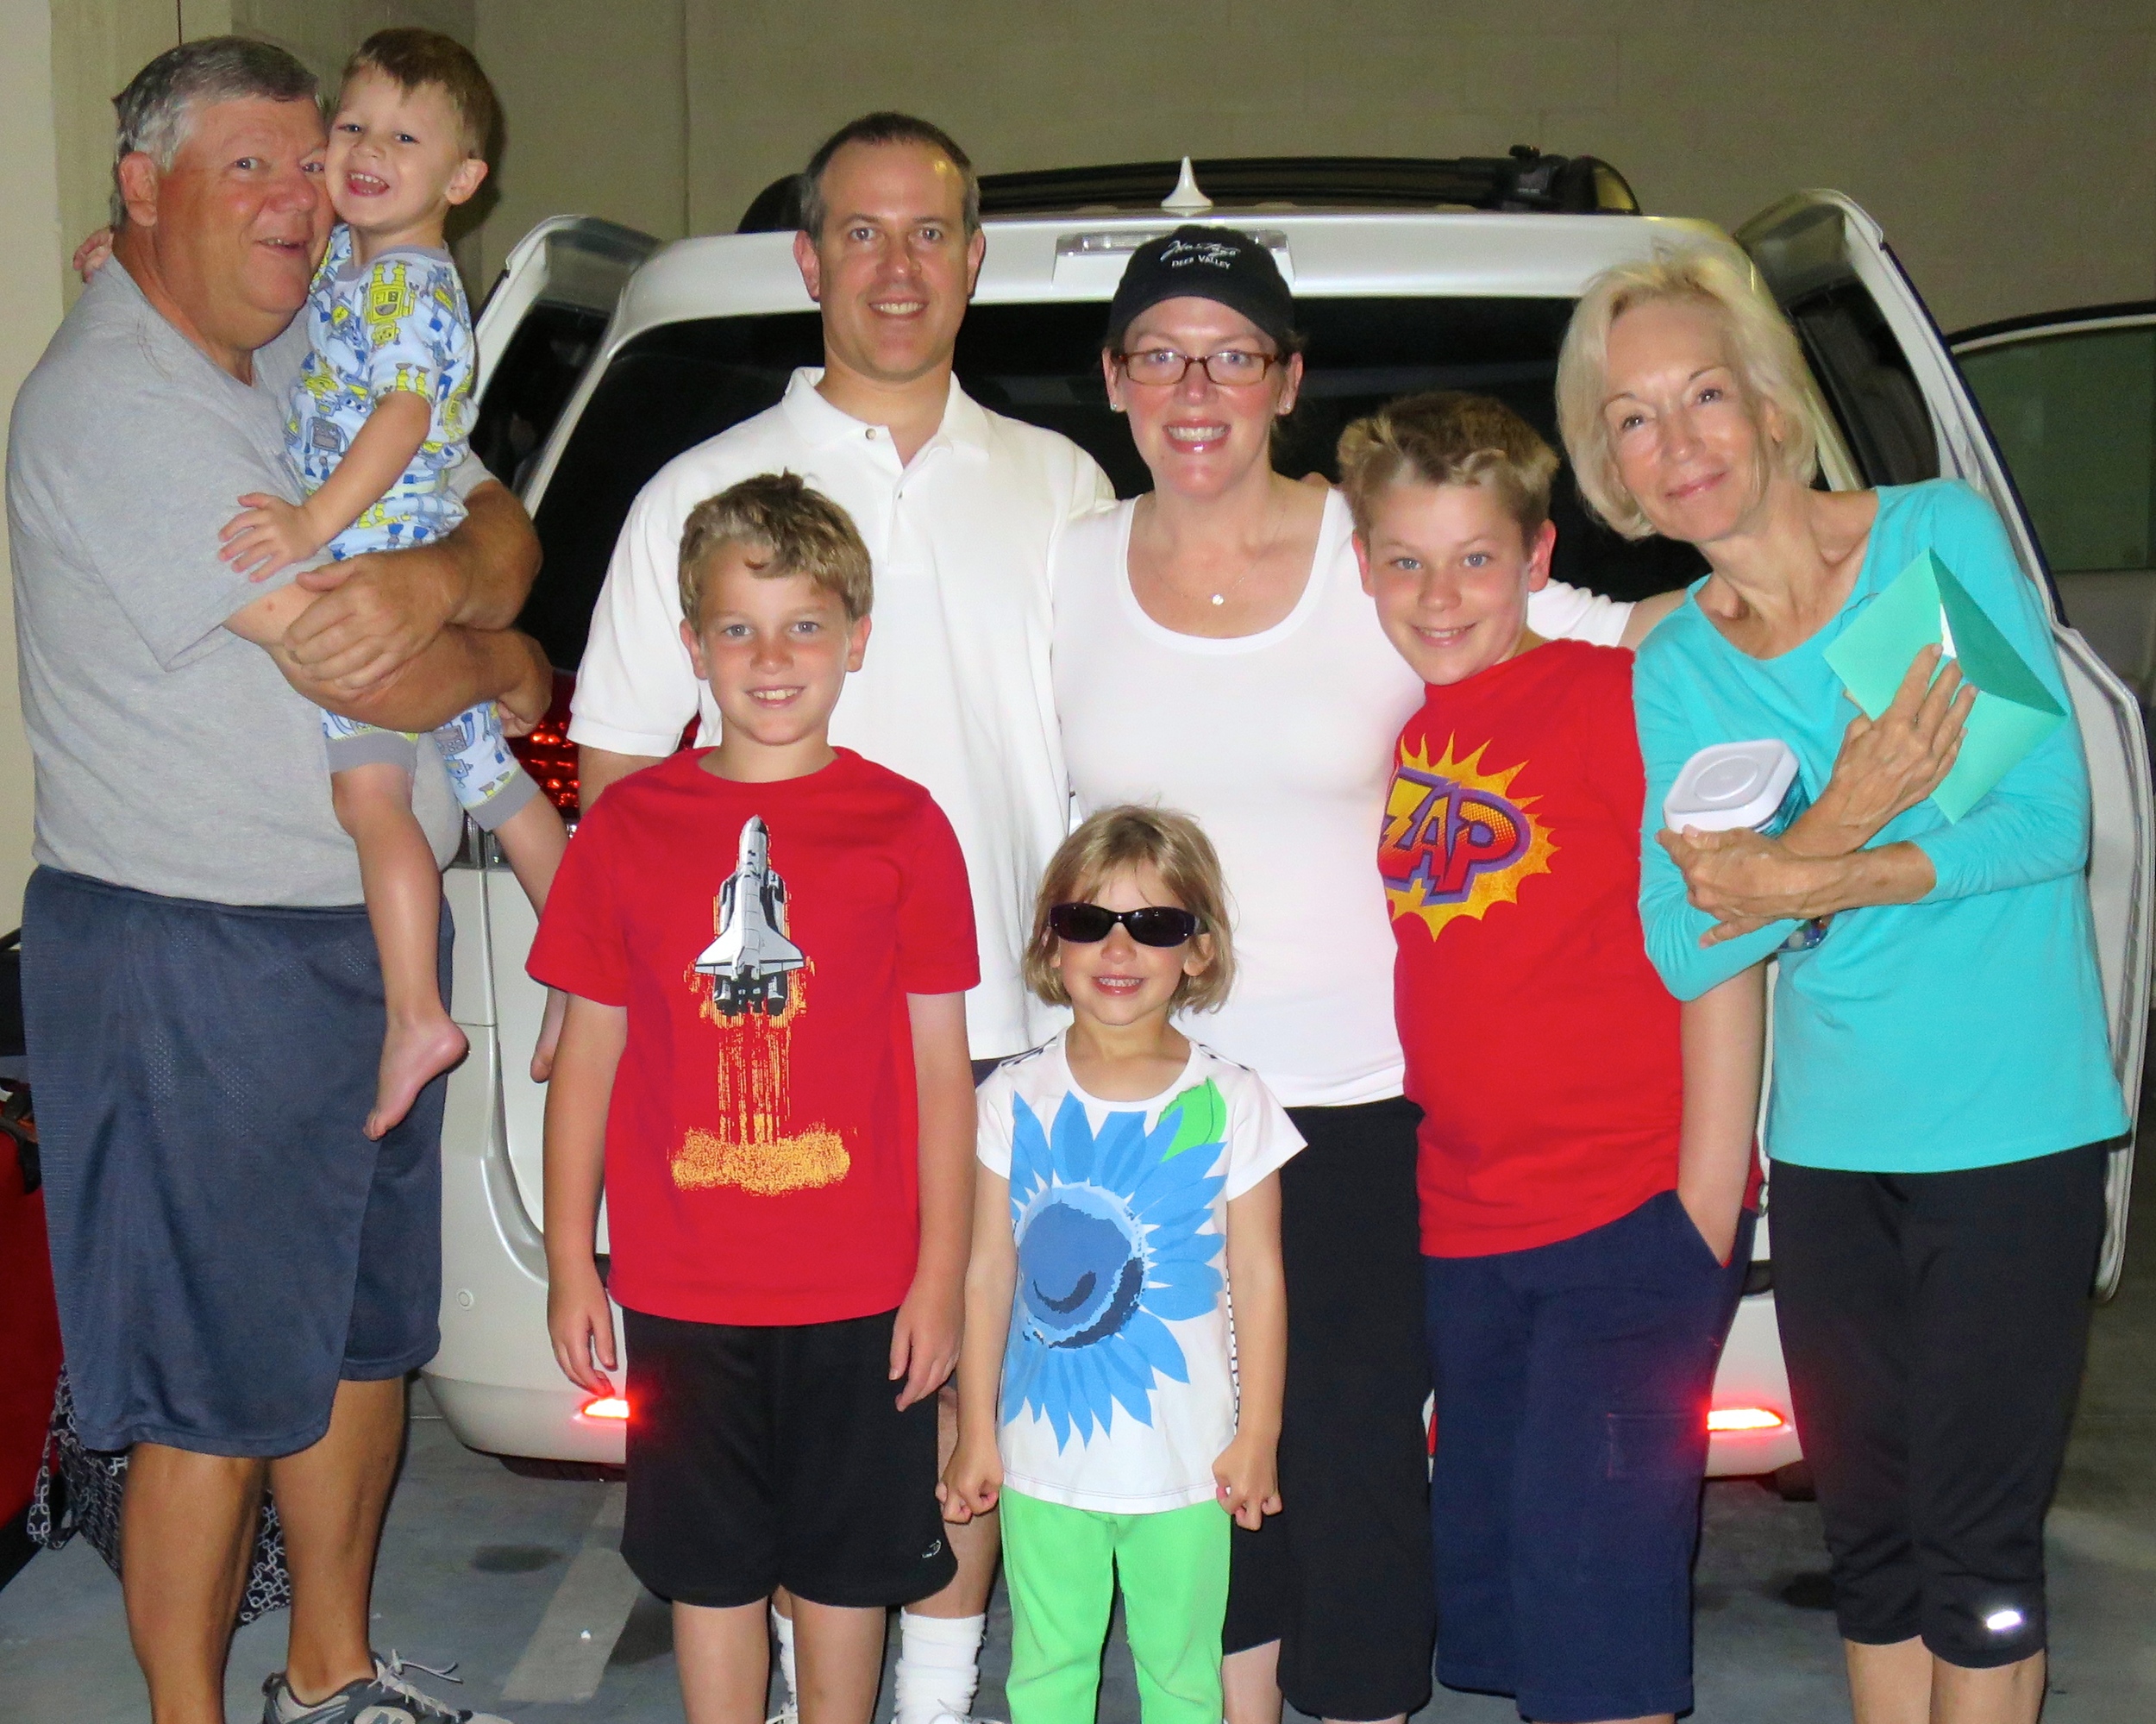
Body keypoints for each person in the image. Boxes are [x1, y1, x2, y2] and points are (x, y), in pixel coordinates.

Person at [1050, 225, 1681, 1724]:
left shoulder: (1374, 551)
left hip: (1361, 1098)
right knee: (1195, 1452)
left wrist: (1815, 577)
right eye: (1161, 351)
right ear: (1117, 380)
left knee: (1348, 1450)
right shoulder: (1066, 565)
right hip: (1152, 1108)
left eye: (1235, 352)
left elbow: (1592, 636)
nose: (1196, 385)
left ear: (1288, 378)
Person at [7, 37, 548, 1724]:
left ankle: (332, 1674)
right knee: (204, 1384)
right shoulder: (119, 404)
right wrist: (502, 662)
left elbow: (499, 520)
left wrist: (478, 606)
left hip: (340, 941)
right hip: (188, 952)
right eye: (247, 168)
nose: (297, 202)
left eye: (309, 170)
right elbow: (362, 661)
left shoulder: (308, 349)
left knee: (354, 1341)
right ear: (142, 190)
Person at [570, 110, 1111, 1720]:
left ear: (974, 259)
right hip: (781, 1072)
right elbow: (613, 766)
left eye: (929, 231)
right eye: (861, 233)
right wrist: (616, 996)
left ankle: (926, 1699)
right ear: (808, 259)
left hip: (1006, 1033)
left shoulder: (1063, 481)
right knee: (800, 1443)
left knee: (954, 1403)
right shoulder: (703, 487)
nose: (896, 265)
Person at [1555, 239, 2126, 1724]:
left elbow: (2044, 827)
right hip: (1829, 1150)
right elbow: (1689, 942)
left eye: (1701, 394)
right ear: (1609, 467)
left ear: (1768, 399)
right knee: (1868, 1536)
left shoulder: (1929, 543)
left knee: (1977, 1539)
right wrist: (1840, 818)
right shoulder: (1684, 666)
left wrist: (1799, 876)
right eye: (1631, 418)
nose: (1676, 443)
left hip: (2008, 1129)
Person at [1340, 391, 1764, 1724]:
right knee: (1519, 1593)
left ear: (1538, 560)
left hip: (1627, 1214)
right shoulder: (1402, 733)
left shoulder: (1622, 699)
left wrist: (1700, 1204)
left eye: (1476, 557)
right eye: (1404, 558)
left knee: (1605, 1604)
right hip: (1467, 1230)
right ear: (1362, 567)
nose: (1439, 591)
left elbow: (1727, 924)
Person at [534, 473, 979, 1724]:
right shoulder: (628, 828)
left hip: (859, 1285)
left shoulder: (906, 826)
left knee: (847, 1561)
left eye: (803, 626)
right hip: (683, 1284)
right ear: (691, 646)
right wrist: (579, 1258)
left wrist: (938, 1273)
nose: (770, 658)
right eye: (737, 627)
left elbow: (942, 1071)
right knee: (708, 1559)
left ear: (856, 640)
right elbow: (592, 1055)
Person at [211, 28, 567, 1139]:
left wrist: (315, 521)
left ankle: (417, 1010)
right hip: (392, 554)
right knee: (492, 785)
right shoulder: (350, 259)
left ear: (461, 181)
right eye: (353, 126)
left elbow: (407, 418)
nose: (366, 150)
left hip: (376, 564)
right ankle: (583, 962)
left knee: (373, 798)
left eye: (404, 138)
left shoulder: (413, 286)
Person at [942, 806, 1300, 1724]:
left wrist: (1256, 1433)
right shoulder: (1014, 1097)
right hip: (1038, 1460)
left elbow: (1258, 1279)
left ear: (1198, 950)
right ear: (1050, 943)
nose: (1119, 945)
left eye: (1155, 924)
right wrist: (975, 1431)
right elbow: (987, 1275)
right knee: (1046, 1674)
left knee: (1182, 1680)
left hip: (1187, 1463)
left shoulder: (1231, 1099)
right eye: (1088, 920)